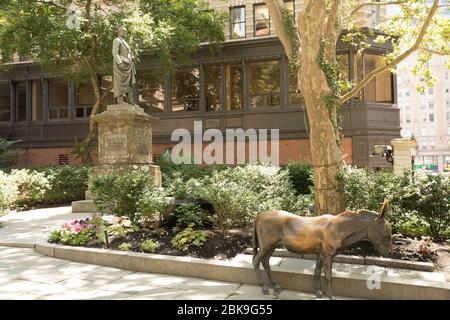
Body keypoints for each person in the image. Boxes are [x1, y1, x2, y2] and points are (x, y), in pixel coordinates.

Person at [112, 26, 137, 106]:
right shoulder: (117, 40)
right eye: (123, 31)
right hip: (121, 66)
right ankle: (120, 100)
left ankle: (131, 101)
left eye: (126, 31)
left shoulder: (125, 42)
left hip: (128, 65)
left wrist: (132, 56)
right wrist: (119, 63)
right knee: (120, 82)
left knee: (129, 83)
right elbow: (115, 52)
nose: (125, 32)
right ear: (119, 32)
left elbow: (129, 52)